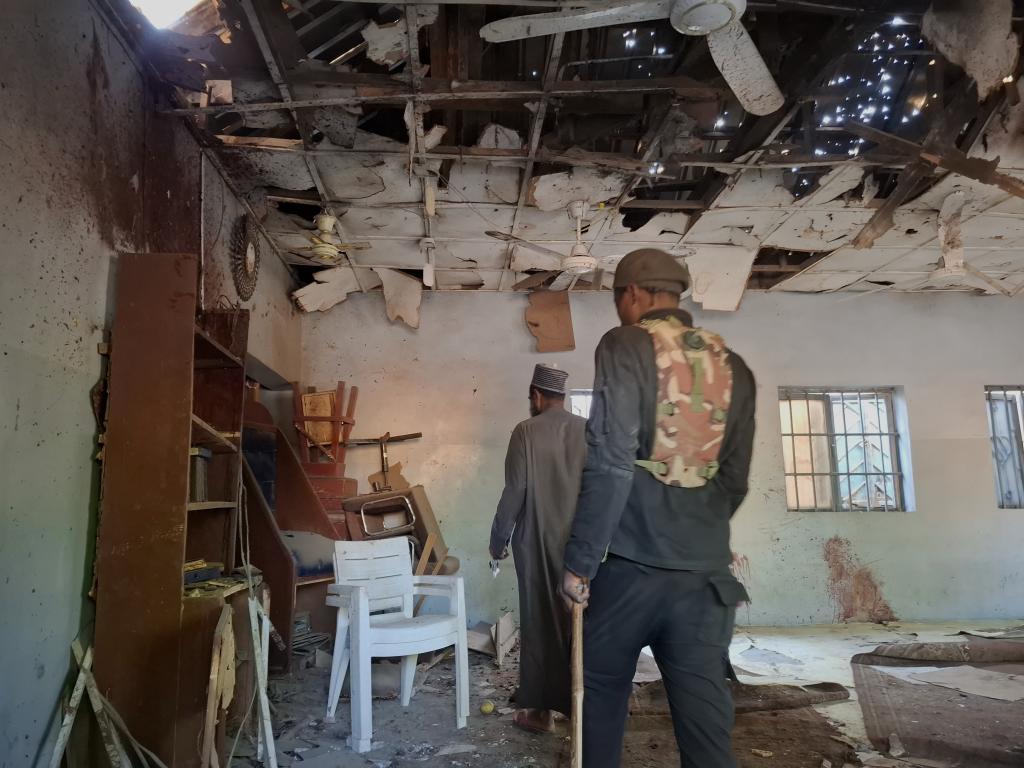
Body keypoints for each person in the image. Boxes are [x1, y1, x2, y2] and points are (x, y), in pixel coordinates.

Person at [559, 249, 756, 768]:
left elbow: (610, 460)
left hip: (628, 572)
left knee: (600, 697)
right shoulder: (734, 367)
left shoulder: (624, 344)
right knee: (705, 719)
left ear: (631, 295)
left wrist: (580, 561)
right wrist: (698, 535)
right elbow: (735, 480)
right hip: (705, 580)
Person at [490, 363, 588, 734]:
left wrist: (497, 540)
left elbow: (514, 491)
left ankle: (541, 713)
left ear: (536, 395)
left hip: (535, 542)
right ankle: (580, 707)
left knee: (540, 623)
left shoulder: (525, 431)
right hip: (581, 545)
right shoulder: (587, 430)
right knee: (578, 622)